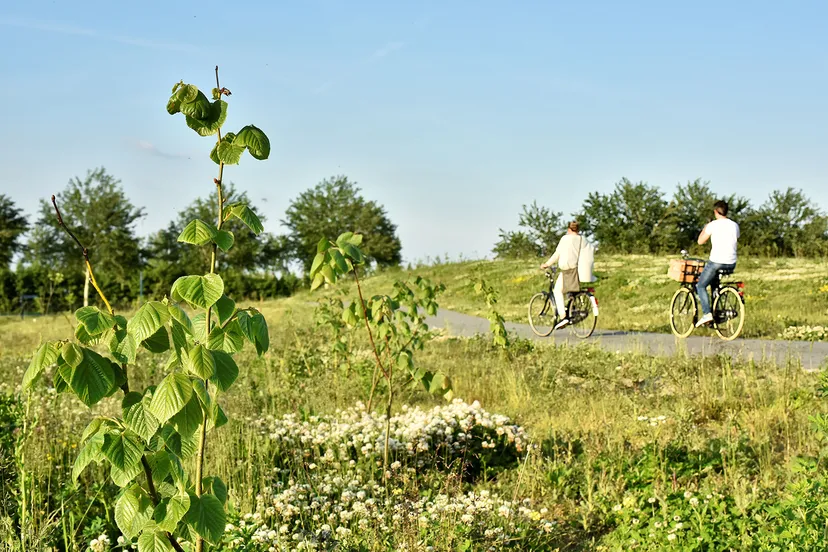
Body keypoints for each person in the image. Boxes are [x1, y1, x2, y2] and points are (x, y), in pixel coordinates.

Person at [540, 221, 594, 329]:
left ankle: (563, 317)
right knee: (572, 291)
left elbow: (557, 254)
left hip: (568, 271)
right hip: (580, 271)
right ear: (578, 229)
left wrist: (547, 264)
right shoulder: (583, 239)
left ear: (569, 229)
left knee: (557, 291)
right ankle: (572, 308)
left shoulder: (565, 239)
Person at [695, 200, 740, 327]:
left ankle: (707, 314)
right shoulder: (734, 225)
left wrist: (706, 227)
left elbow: (700, 241)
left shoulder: (713, 225)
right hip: (731, 263)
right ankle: (716, 310)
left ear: (715, 211)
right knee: (714, 284)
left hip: (716, 262)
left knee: (701, 286)